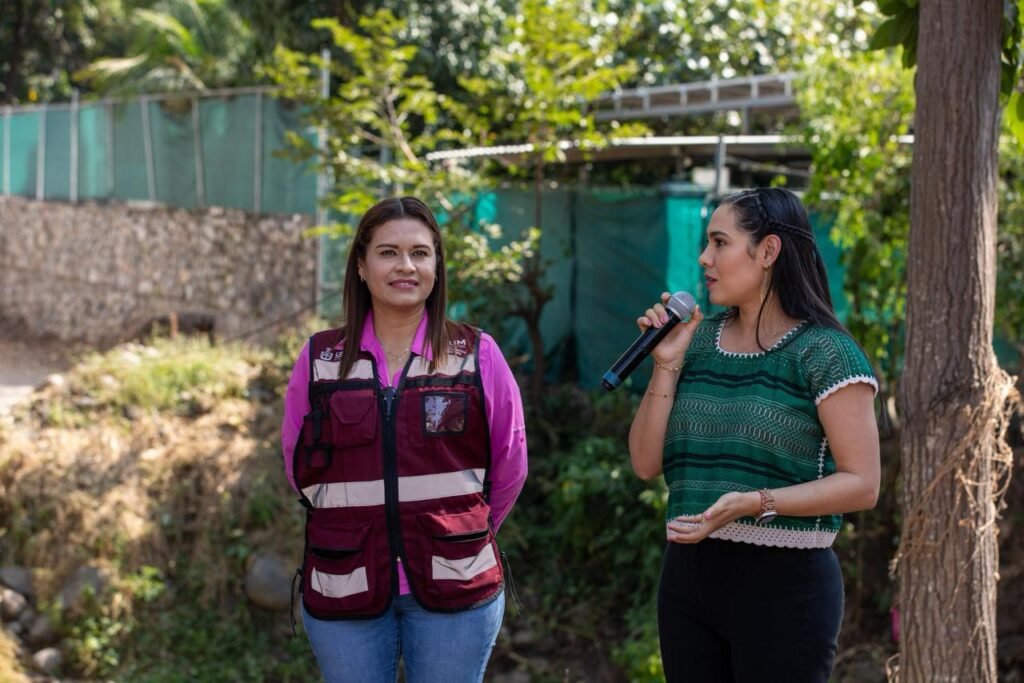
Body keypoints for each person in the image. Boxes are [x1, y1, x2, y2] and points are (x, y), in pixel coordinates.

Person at [627, 187, 880, 682]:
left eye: (720, 242)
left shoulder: (825, 353)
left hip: (785, 584)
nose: (704, 258)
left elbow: (863, 484)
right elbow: (645, 463)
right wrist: (665, 363)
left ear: (768, 251)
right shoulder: (696, 341)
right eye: (707, 243)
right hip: (687, 578)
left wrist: (756, 502)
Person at [280, 196, 527, 683]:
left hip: (455, 582)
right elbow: (298, 467)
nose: (406, 266)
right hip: (344, 580)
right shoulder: (320, 359)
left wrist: (459, 530)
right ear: (361, 265)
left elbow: (510, 465)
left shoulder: (477, 354)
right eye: (388, 252)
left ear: (436, 264)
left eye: (419, 253)